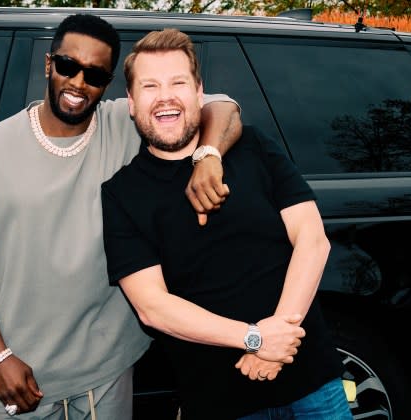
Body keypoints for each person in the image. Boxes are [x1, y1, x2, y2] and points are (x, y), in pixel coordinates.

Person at [0, 14, 243, 420]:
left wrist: (208, 155)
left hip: (108, 369)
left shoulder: (126, 124)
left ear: (110, 83)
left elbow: (224, 106)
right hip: (21, 373)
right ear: (49, 64)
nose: (79, 83)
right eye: (67, 66)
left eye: (95, 74)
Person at [101, 28, 353, 420]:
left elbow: (312, 240)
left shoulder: (254, 146)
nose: (165, 96)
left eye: (178, 82)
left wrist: (278, 338)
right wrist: (256, 339)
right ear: (131, 103)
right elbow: (153, 307)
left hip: (313, 383)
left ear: (199, 92)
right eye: (150, 86)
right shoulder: (121, 194)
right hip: (220, 401)